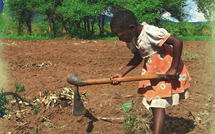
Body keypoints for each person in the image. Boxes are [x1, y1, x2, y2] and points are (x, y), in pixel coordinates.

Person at [110, 8, 191, 134]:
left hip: (166, 68)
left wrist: (173, 68)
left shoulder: (150, 32)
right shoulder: (132, 38)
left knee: (157, 103)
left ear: (131, 28)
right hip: (153, 71)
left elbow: (177, 42)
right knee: (154, 101)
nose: (119, 39)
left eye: (120, 35)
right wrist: (121, 73)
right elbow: (137, 57)